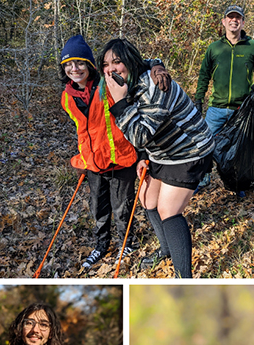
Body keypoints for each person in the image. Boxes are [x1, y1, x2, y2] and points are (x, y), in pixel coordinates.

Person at [58, 35, 171, 271]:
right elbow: (83, 130)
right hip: (93, 163)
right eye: (68, 64)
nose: (74, 69)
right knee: (98, 208)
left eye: (79, 63)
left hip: (121, 158)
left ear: (90, 65)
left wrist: (156, 65)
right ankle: (101, 245)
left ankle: (125, 243)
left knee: (122, 207)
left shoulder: (109, 83)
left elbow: (134, 65)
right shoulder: (67, 98)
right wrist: (82, 156)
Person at [105, 38, 215, 278]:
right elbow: (148, 62)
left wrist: (121, 102)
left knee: (168, 210)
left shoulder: (155, 88)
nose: (111, 69)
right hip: (162, 151)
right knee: (147, 199)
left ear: (130, 63)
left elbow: (140, 135)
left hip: (189, 151)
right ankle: (166, 250)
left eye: (117, 62)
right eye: (106, 64)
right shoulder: (131, 80)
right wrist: (143, 156)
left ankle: (183, 277)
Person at [193, 5, 254, 193]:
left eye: (238, 18)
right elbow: (204, 75)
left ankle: (239, 185)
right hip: (216, 108)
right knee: (204, 143)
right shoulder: (214, 48)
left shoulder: (252, 47)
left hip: (241, 110)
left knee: (241, 149)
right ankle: (204, 177)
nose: (234, 20)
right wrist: (198, 99)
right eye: (230, 17)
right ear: (224, 21)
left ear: (243, 22)